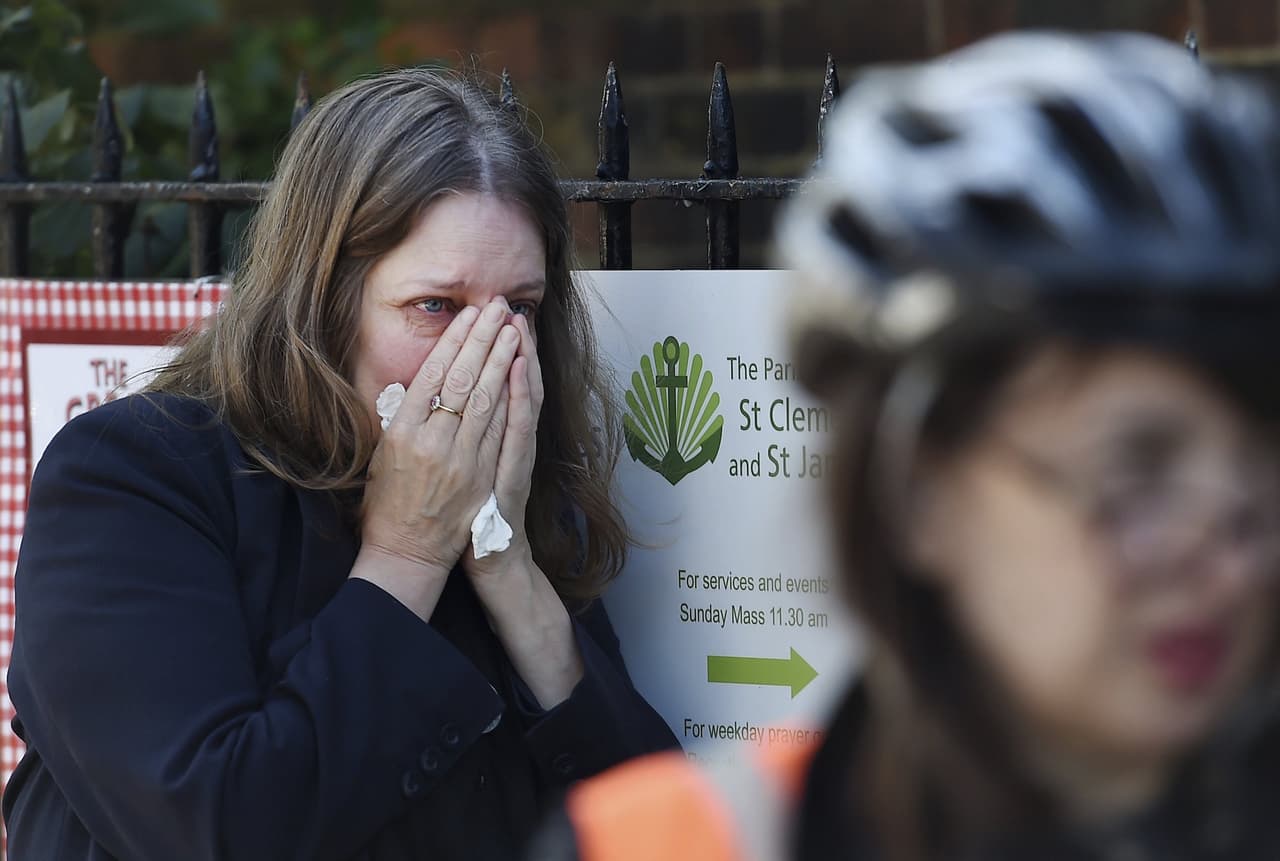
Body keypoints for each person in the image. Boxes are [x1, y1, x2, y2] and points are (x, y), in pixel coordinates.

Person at [538, 32, 1280, 861]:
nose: (1234, 563)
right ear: (918, 486)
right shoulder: (676, 845)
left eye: (1260, 476)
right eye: (1136, 477)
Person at [3, 68, 677, 860]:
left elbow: (659, 827)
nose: (488, 355)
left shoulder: (516, 498)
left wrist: (507, 568)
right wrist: (407, 555)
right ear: (323, 301)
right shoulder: (132, 479)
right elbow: (217, 828)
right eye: (437, 307)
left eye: (518, 309)